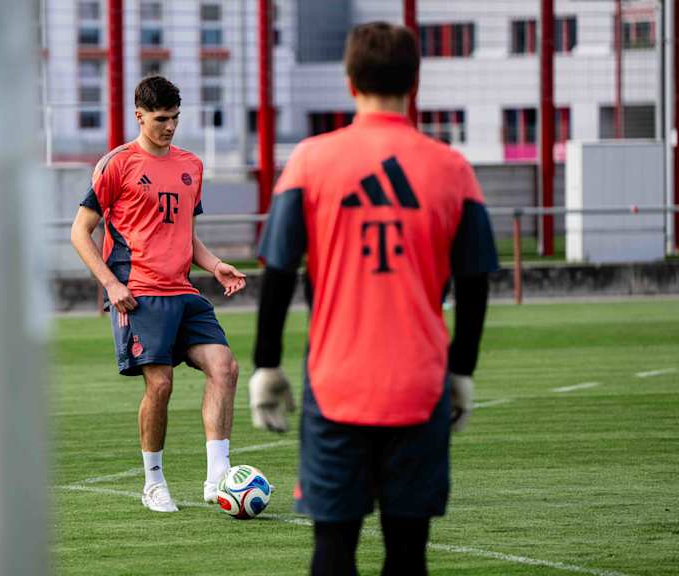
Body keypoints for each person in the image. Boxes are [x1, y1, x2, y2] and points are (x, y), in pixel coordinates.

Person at [248, 23, 498, 575]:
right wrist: (462, 369)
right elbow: (477, 279)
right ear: (415, 80)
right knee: (408, 554)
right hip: (419, 385)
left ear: (349, 80)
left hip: (338, 388)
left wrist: (267, 364)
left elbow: (280, 270)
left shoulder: (311, 161)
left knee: (333, 549)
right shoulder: (452, 169)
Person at [70, 75, 248, 513]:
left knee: (225, 367)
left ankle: (217, 479)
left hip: (183, 291)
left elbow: (185, 233)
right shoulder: (116, 164)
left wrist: (214, 263)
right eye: (161, 119)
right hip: (140, 294)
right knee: (162, 383)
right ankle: (153, 482)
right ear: (140, 116)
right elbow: (80, 232)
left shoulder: (191, 165)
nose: (169, 127)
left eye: (175, 119)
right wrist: (112, 284)